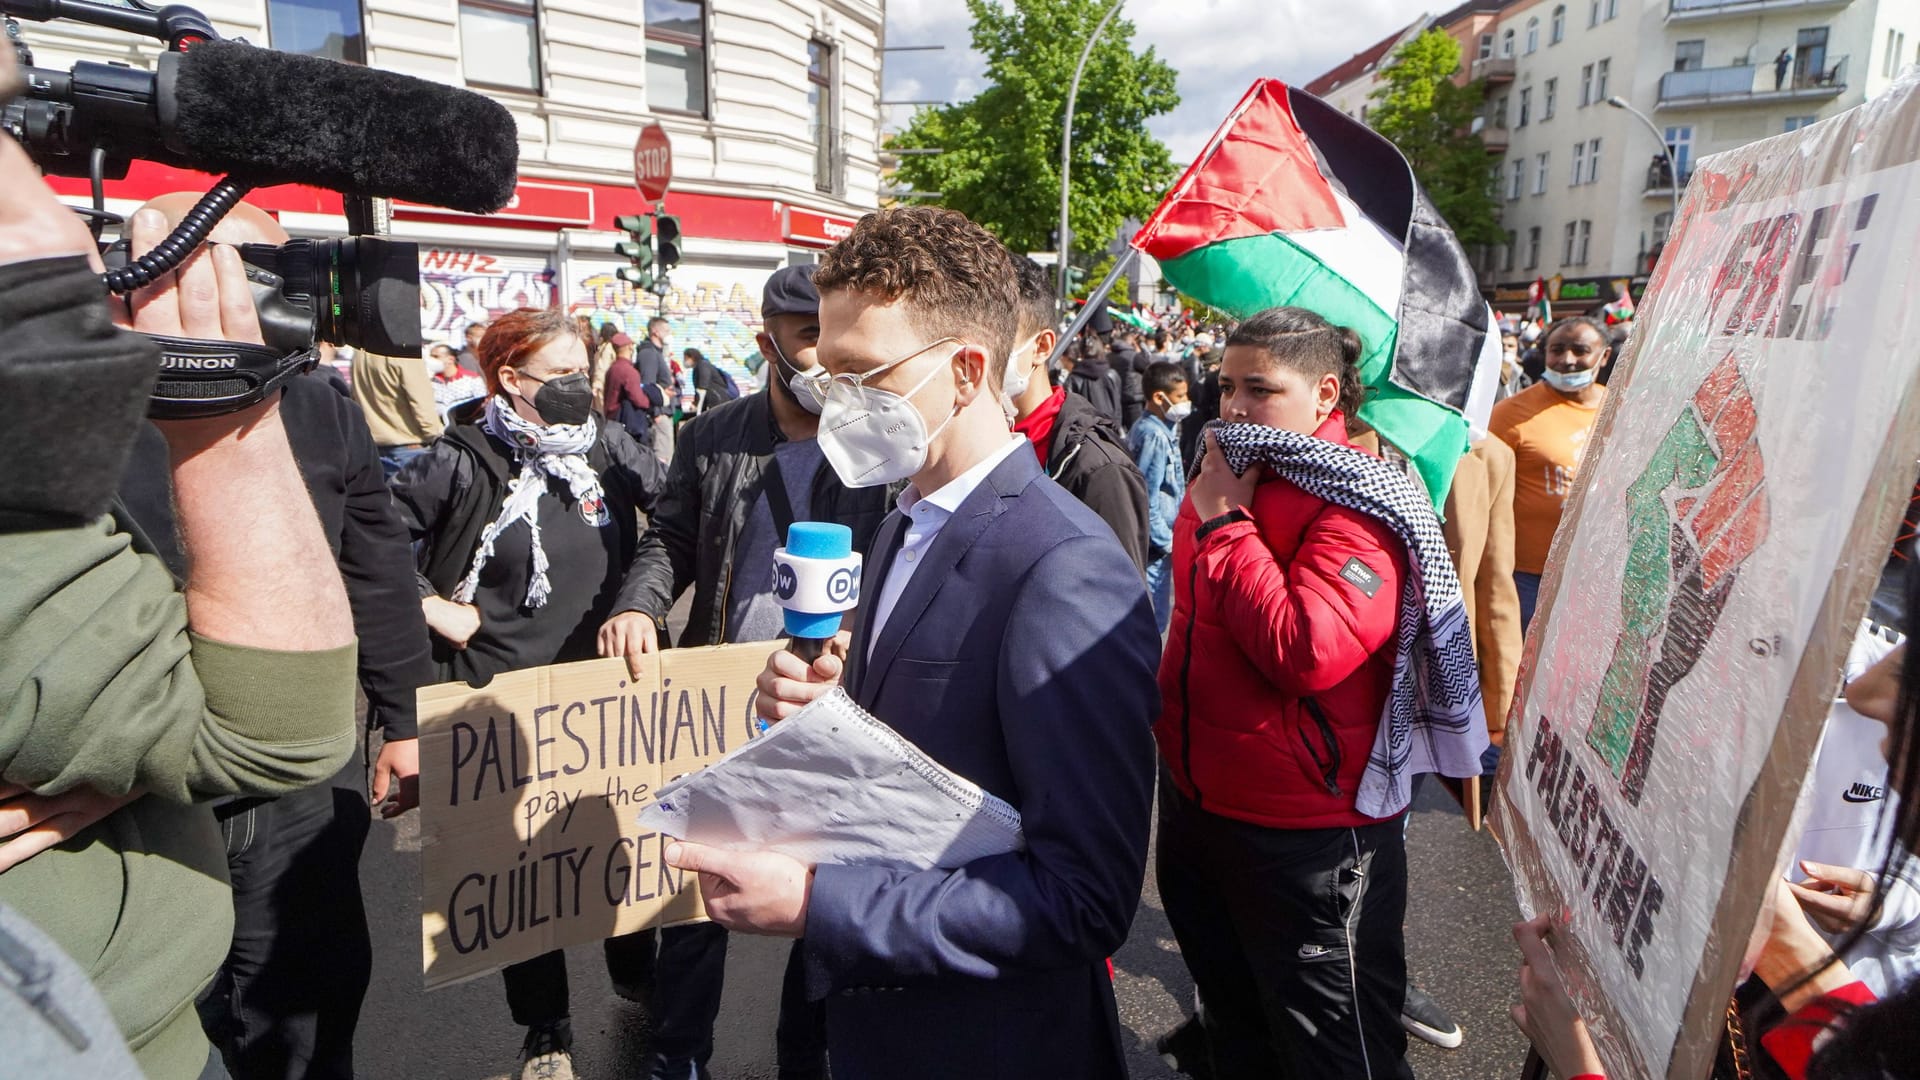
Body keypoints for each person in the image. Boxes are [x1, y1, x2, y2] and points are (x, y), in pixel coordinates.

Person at [669, 206, 1162, 1079]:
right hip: (879, 1029)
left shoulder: (1065, 568)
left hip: (992, 1043)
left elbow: (1084, 900)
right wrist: (831, 713)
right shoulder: (900, 524)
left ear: (968, 370)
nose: (834, 406)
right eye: (827, 376)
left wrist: (820, 902)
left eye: (864, 376)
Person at [0, 140, 358, 1079]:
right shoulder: (78, 414)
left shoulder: (324, 400)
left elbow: (374, 558)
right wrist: (216, 414)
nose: (60, 230)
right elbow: (275, 726)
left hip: (141, 1007)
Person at [99, 194, 434, 1080]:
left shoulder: (323, 405)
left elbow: (380, 571)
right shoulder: (68, 398)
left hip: (300, 776)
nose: (296, 301)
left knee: (313, 984)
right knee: (189, 998)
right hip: (145, 779)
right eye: (266, 273)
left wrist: (405, 722)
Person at [598, 263, 893, 1080]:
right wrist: (637, 605)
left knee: (826, 896)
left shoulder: (877, 443)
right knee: (698, 894)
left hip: (835, 699)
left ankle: (807, 1058)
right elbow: (670, 540)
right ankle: (677, 1053)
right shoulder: (711, 435)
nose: (830, 357)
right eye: (810, 338)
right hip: (721, 699)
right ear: (768, 344)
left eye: (838, 337)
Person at [389, 307, 666, 1080]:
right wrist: (428, 604)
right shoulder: (459, 457)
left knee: (617, 840)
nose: (582, 387)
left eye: (586, 370)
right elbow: (367, 538)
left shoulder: (609, 447)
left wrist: (640, 602)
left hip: (600, 696)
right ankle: (545, 1028)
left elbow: (674, 516)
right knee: (523, 878)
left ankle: (633, 961)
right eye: (564, 375)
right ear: (511, 380)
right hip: (499, 696)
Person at [1155, 306, 1431, 1080]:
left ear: (1325, 395)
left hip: (1309, 834)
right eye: (1226, 386)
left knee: (1339, 1053)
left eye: (1261, 389)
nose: (1235, 406)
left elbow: (1308, 650)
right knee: (1237, 1025)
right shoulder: (1228, 469)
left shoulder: (1363, 500)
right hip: (1198, 804)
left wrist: (1225, 525)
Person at [1004, 256, 1150, 571]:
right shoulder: (969, 443)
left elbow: (1120, 602)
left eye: (996, 340)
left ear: (1042, 347)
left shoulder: (1099, 468)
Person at [1489, 315, 1611, 629]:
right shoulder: (1508, 416)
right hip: (1528, 578)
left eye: (1580, 350)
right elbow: (1482, 497)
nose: (1567, 360)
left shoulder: (1619, 408)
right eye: (1557, 350)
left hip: (1596, 573)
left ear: (1605, 356)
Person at [1129, 360, 1190, 631]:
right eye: (1180, 396)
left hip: (1162, 540)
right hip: (1156, 546)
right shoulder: (1153, 435)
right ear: (1158, 397)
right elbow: (1146, 495)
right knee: (1153, 622)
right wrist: (1166, 540)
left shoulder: (1164, 429)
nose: (1186, 402)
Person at [352, 345, 446, 477]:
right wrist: (437, 438)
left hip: (374, 446)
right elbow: (421, 402)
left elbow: (355, 396)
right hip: (409, 447)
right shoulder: (405, 352)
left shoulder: (360, 352)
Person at [603, 332, 658, 449]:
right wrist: (650, 401)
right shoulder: (629, 371)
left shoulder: (612, 369)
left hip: (610, 419)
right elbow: (638, 399)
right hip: (624, 423)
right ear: (629, 347)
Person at [638, 315, 678, 463]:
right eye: (666, 330)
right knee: (662, 459)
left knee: (668, 457)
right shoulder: (649, 353)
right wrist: (656, 413)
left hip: (664, 411)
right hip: (659, 414)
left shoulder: (658, 353)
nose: (669, 334)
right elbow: (647, 385)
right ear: (655, 331)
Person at [1065, 330, 1125, 424]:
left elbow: (1069, 411)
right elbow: (1118, 405)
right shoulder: (1112, 374)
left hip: (1085, 431)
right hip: (1111, 428)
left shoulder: (1073, 378)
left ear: (1081, 353)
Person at [686, 346, 739, 411]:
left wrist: (695, 403)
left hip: (718, 400)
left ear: (692, 357)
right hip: (716, 400)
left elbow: (702, 387)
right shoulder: (699, 366)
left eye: (686, 358)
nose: (685, 361)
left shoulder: (703, 365)